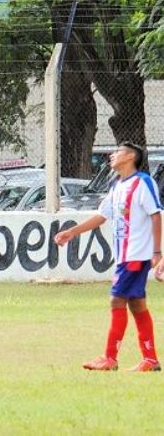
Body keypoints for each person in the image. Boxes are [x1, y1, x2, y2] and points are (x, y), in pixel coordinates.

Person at [55, 142, 164, 371]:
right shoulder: (117, 186)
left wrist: (156, 251)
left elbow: (156, 214)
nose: (112, 155)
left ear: (131, 156)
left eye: (118, 152)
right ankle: (150, 360)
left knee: (116, 299)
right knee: (137, 304)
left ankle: (110, 358)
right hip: (125, 256)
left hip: (136, 254)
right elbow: (101, 216)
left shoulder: (143, 182)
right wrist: (72, 232)